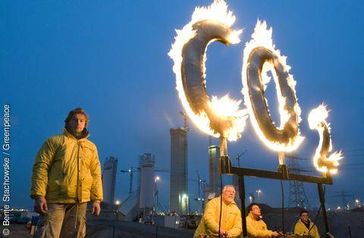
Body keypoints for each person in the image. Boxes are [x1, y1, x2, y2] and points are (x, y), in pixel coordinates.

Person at [30, 107, 103, 238]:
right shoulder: (54, 142)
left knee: (76, 235)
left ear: (85, 123)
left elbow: (96, 174)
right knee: (47, 234)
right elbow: (41, 167)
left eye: (82, 120)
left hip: (80, 202)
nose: (78, 123)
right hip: (55, 200)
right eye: (74, 120)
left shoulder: (91, 147)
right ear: (68, 122)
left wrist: (97, 200)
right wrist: (39, 196)